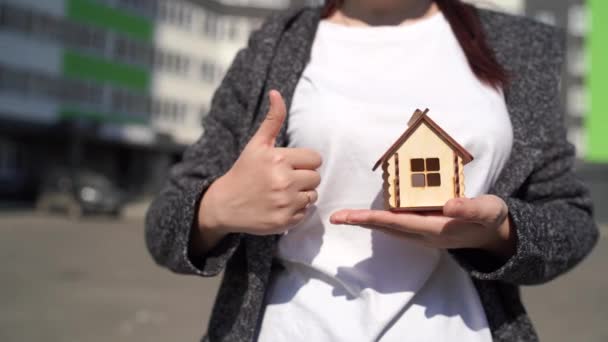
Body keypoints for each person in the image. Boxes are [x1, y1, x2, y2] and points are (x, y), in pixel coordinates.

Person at [145, 0, 599, 341]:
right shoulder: (275, 46)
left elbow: (572, 221)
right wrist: (217, 208)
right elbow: (164, 227)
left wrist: (498, 235)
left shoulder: (520, 47)